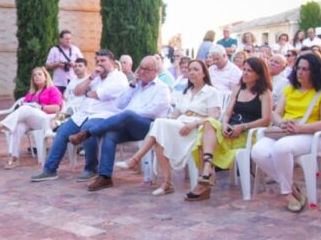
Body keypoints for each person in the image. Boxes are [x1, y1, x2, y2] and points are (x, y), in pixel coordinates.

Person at [66, 56, 172, 191]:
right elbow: (119, 104)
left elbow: (154, 111)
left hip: (148, 127)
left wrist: (130, 114)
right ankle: (105, 177)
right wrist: (132, 85)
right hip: (127, 123)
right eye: (140, 68)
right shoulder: (135, 85)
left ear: (155, 72)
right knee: (110, 134)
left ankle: (88, 133)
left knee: (127, 114)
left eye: (146, 69)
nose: (141, 72)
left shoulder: (162, 88)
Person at [116, 60, 221, 196]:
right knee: (160, 130)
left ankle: (135, 160)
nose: (192, 72)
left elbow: (213, 118)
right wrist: (168, 119)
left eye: (196, 69)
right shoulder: (186, 92)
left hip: (198, 129)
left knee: (160, 127)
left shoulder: (211, 91)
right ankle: (166, 183)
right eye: (190, 70)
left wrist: (193, 124)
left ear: (204, 74)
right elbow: (176, 113)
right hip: (180, 126)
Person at [251, 53, 321, 212]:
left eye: (305, 69)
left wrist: (300, 128)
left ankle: (287, 194)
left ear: (315, 72)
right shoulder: (289, 89)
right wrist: (282, 122)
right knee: (258, 151)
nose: (300, 72)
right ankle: (292, 187)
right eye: (298, 68)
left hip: (310, 135)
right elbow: (275, 113)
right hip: (285, 131)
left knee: (282, 148)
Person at [30, 50, 129, 182]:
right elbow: (77, 92)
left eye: (103, 61)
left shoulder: (119, 77)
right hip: (82, 114)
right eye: (97, 61)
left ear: (111, 62)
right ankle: (50, 169)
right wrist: (90, 78)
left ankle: (91, 169)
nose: (99, 64)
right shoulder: (94, 78)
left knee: (87, 129)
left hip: (104, 114)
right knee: (62, 131)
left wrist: (89, 93)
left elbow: (100, 94)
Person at [186, 57, 272, 201]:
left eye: (249, 71)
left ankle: (204, 182)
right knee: (209, 122)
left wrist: (243, 127)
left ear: (258, 74)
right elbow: (227, 114)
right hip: (230, 128)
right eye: (243, 69)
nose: (244, 73)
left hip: (248, 133)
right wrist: (225, 124)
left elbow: (266, 120)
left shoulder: (264, 93)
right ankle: (207, 168)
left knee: (203, 141)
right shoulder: (237, 89)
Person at [0, 66, 62, 169]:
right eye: (34, 75)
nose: (37, 77)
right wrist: (27, 107)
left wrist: (41, 107)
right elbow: (23, 107)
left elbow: (57, 107)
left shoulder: (52, 89)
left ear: (46, 77)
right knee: (18, 127)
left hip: (47, 120)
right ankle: (14, 158)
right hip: (32, 121)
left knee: (26, 108)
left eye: (39, 74)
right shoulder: (31, 93)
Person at [45, 29, 82, 94]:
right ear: (60, 40)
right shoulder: (54, 50)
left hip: (73, 81)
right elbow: (47, 66)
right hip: (59, 83)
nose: (69, 41)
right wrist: (58, 64)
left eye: (70, 39)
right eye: (66, 39)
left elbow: (83, 63)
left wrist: (75, 64)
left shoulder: (75, 49)